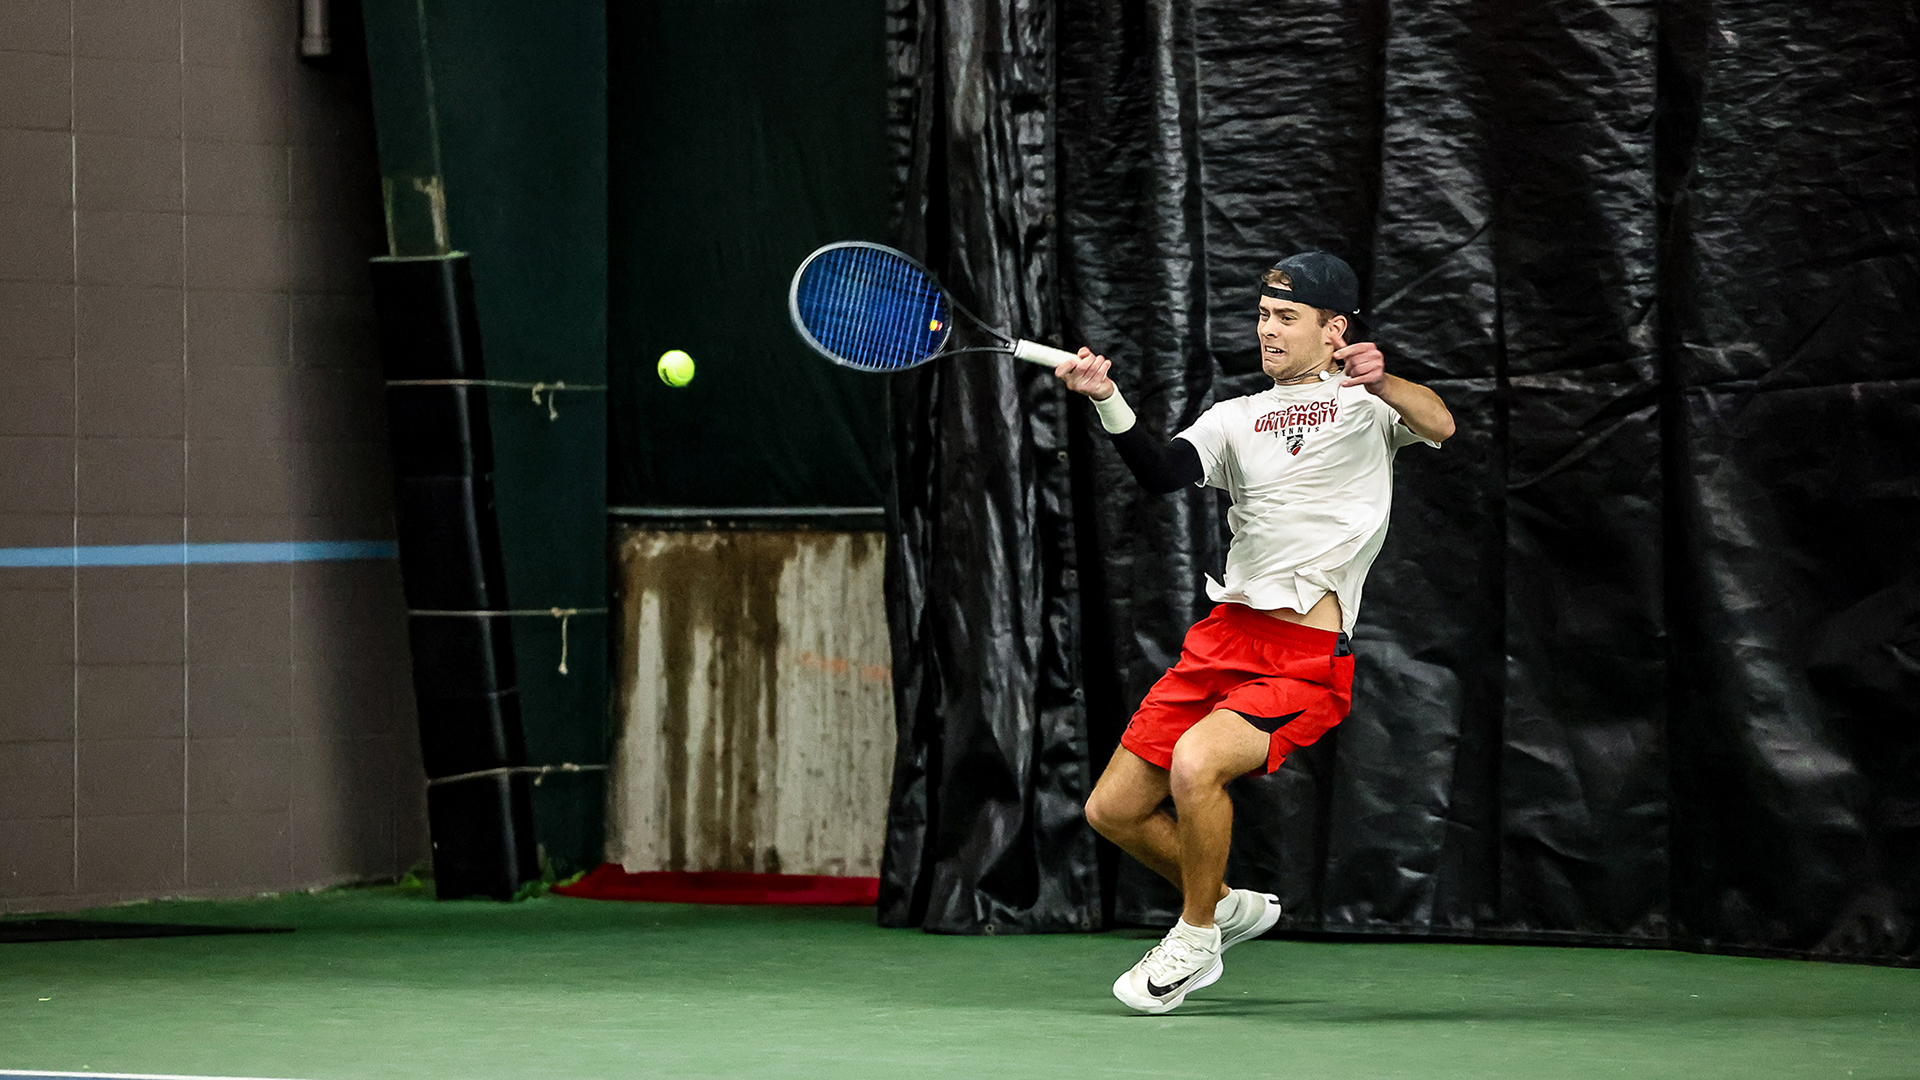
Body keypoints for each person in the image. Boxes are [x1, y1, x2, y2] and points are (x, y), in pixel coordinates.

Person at [1053, 251, 1454, 1014]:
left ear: (1334, 329)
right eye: (1264, 315)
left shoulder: (1370, 409)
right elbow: (1162, 471)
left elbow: (1440, 422)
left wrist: (1381, 377)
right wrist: (1107, 397)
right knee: (1112, 810)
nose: (1267, 329)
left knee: (1199, 762)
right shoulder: (1235, 418)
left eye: (1286, 317)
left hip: (1304, 653)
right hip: (1221, 641)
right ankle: (1228, 905)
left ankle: (1197, 936)